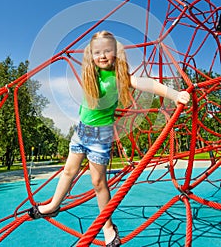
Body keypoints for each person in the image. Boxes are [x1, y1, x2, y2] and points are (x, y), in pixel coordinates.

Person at [28, 31, 190, 246]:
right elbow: (88, 57)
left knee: (98, 183)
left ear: (116, 53)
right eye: (97, 52)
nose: (102, 56)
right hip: (81, 131)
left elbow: (149, 84)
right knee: (68, 171)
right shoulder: (90, 73)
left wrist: (174, 94)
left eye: (107, 51)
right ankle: (53, 205)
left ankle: (107, 226)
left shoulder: (122, 77)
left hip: (100, 136)